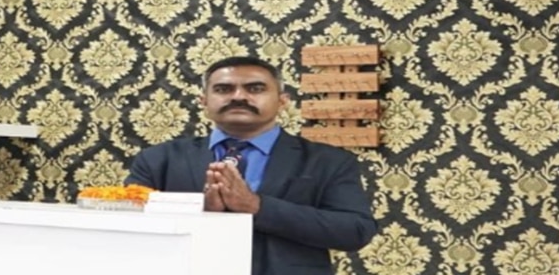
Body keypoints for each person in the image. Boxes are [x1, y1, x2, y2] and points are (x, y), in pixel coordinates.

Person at [126, 56, 377, 275]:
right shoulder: (159, 159)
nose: (238, 96)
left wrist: (256, 206)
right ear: (204, 100)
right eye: (223, 89)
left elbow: (355, 231)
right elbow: (128, 226)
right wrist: (202, 211)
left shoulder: (328, 161)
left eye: (255, 88)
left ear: (282, 101)